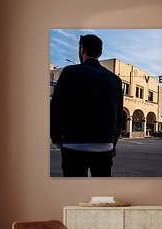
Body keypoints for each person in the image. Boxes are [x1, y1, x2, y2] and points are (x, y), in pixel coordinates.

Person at [50, 34, 124, 177]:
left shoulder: (69, 72)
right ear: (100, 53)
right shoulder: (115, 80)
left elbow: (56, 107)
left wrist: (56, 137)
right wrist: (113, 143)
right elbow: (118, 115)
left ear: (82, 49)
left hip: (73, 145)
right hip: (105, 147)